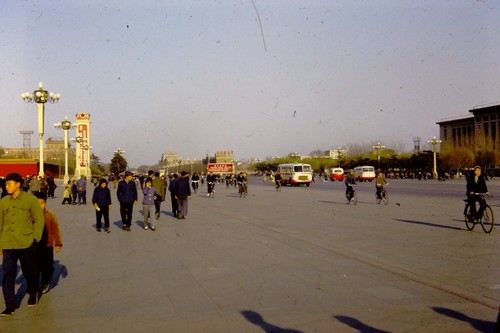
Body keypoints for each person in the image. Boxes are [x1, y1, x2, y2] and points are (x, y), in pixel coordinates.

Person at [0, 173, 44, 316]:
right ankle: (10, 305)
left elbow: (39, 220)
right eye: (6, 184)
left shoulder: (30, 199)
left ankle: (32, 292)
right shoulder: (3, 201)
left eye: (9, 184)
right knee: (7, 273)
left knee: (29, 271)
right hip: (8, 243)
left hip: (26, 243)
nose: (6, 187)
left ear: (18, 184)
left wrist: (35, 238)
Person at [34, 192, 63, 294]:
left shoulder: (50, 215)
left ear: (45, 203)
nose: (39, 206)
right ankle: (35, 285)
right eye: (37, 204)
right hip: (34, 246)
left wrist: (58, 244)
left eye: (41, 203)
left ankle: (46, 281)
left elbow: (56, 230)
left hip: (48, 245)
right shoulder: (30, 215)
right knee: (35, 266)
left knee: (47, 266)